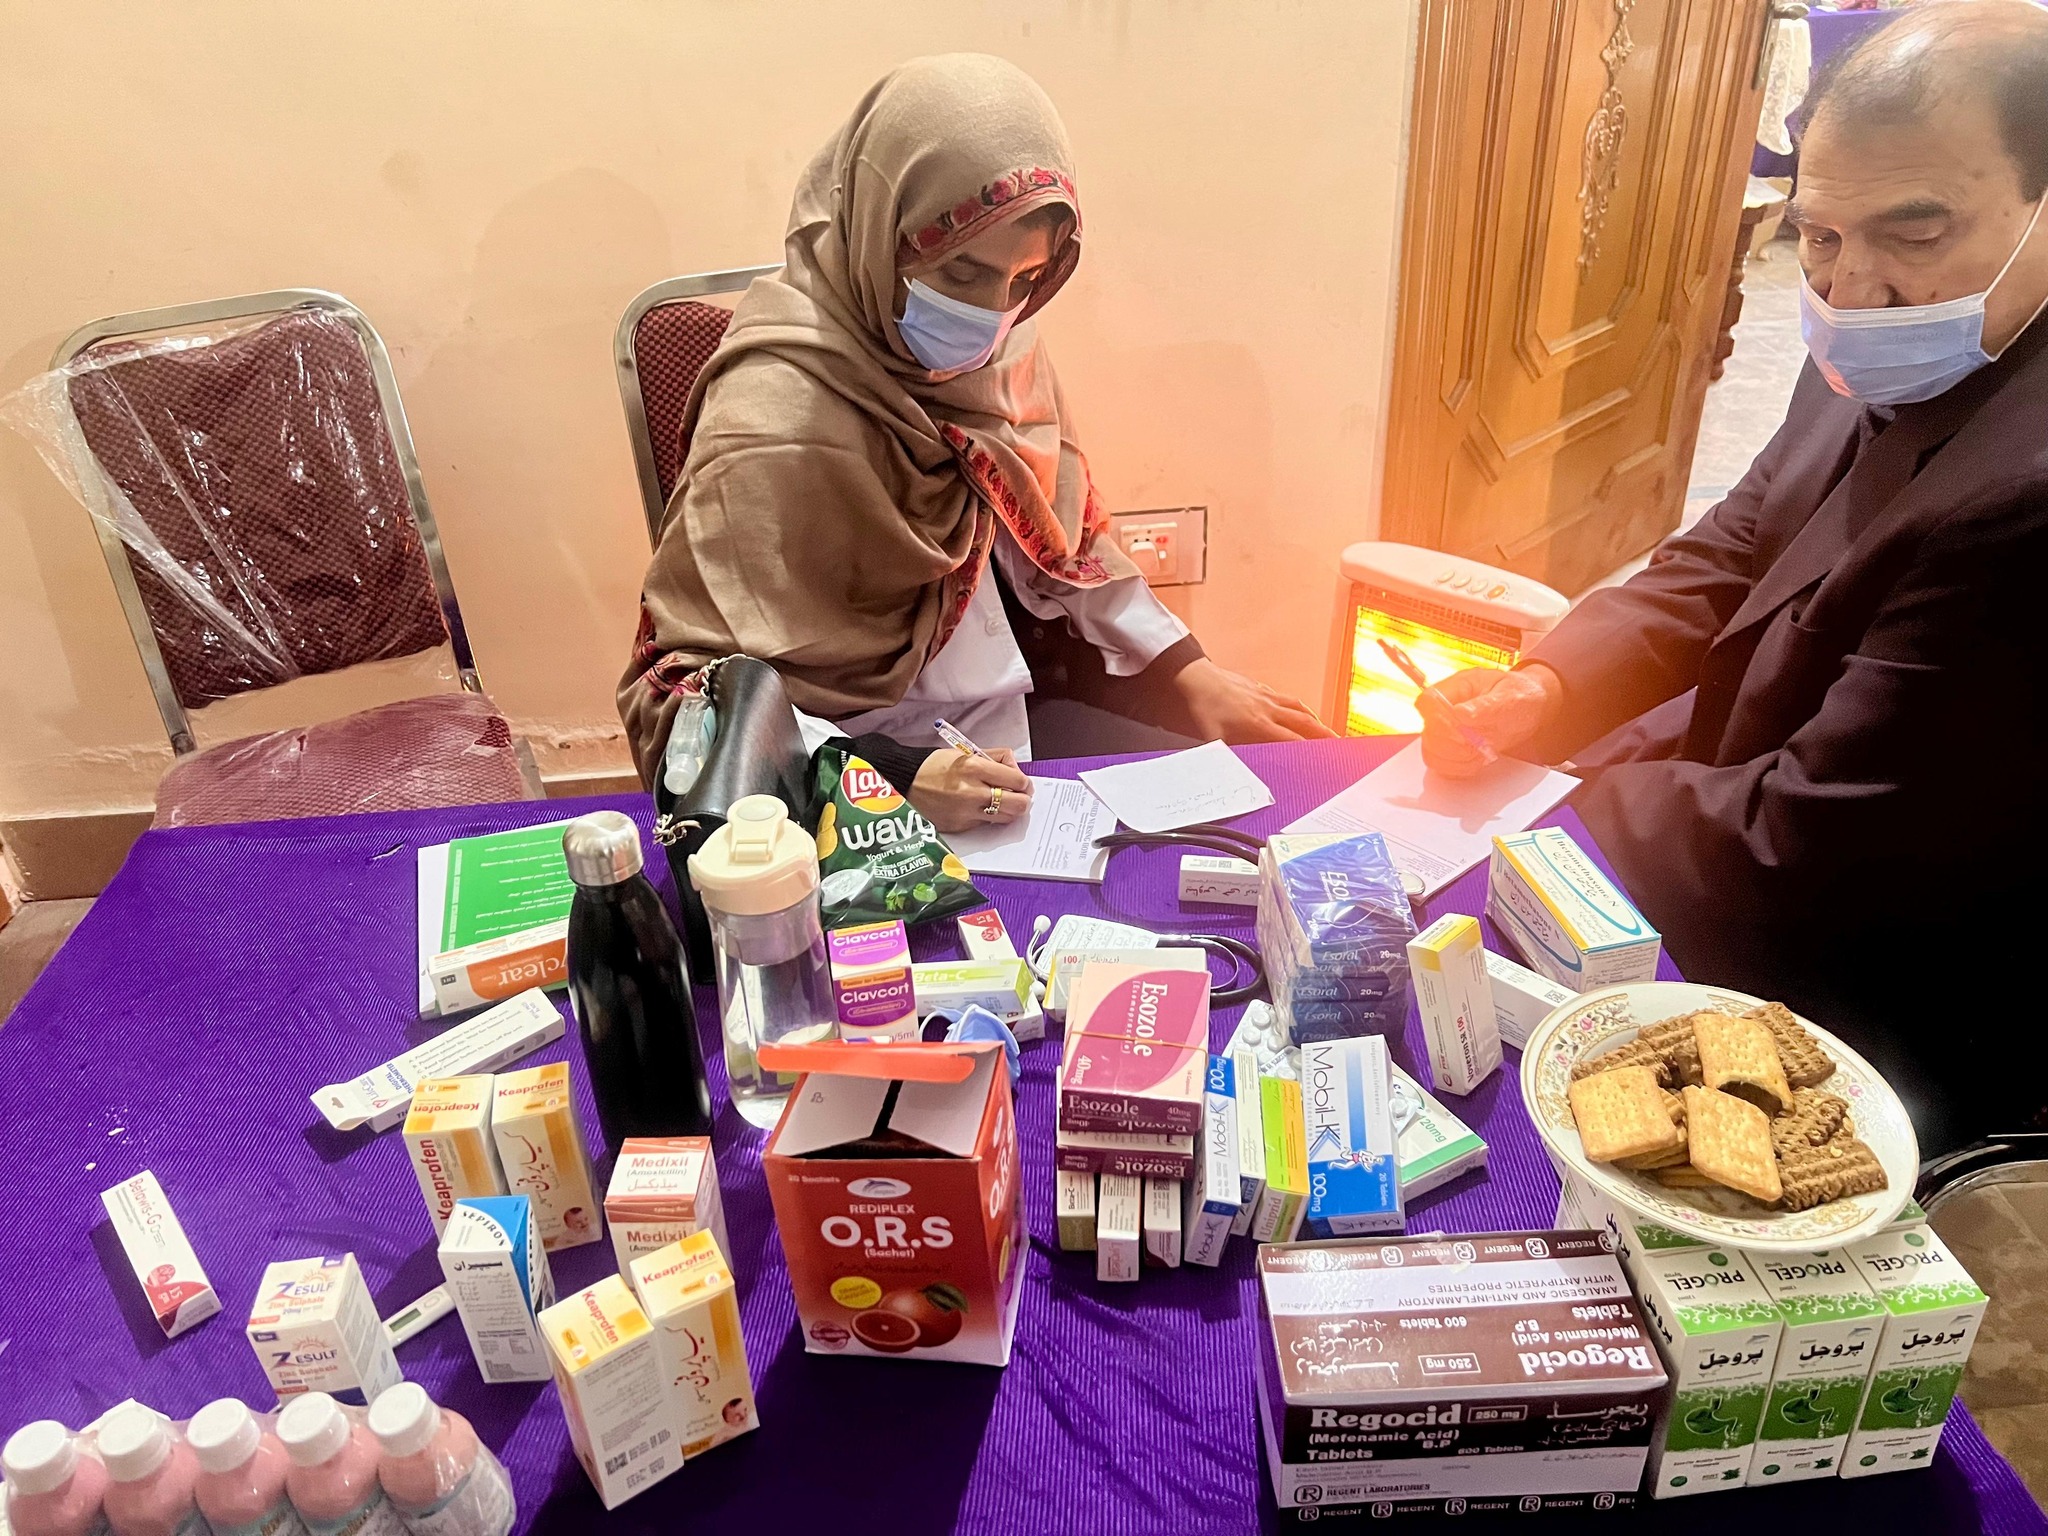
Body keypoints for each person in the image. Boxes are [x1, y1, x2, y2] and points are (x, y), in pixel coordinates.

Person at [1420, 1, 2048, 1155]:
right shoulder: (1876, 347)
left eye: (1914, 234)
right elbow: (1726, 554)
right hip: (1732, 837)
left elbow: (1805, 842)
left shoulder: (2022, 498)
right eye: (1820, 235)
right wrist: (1543, 690)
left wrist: (1547, 802)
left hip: (1870, 1004)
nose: (1853, 288)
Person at [620, 54, 1330, 834]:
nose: (991, 317)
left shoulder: (1005, 352)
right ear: (881, 235)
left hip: (1022, 728)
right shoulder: (769, 419)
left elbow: (1063, 544)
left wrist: (1184, 669)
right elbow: (690, 701)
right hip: (840, 771)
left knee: (1253, 826)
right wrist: (887, 774)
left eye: (1025, 280)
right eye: (960, 270)